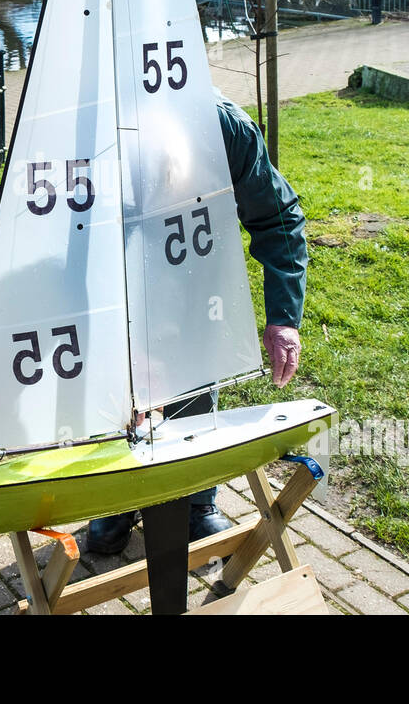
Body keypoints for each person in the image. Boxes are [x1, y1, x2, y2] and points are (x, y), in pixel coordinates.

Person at [86, 93, 307, 553]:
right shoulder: (93, 131)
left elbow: (277, 217)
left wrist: (283, 319)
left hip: (196, 277)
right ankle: (118, 498)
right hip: (115, 272)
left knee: (194, 375)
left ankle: (195, 502)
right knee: (117, 390)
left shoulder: (228, 131)